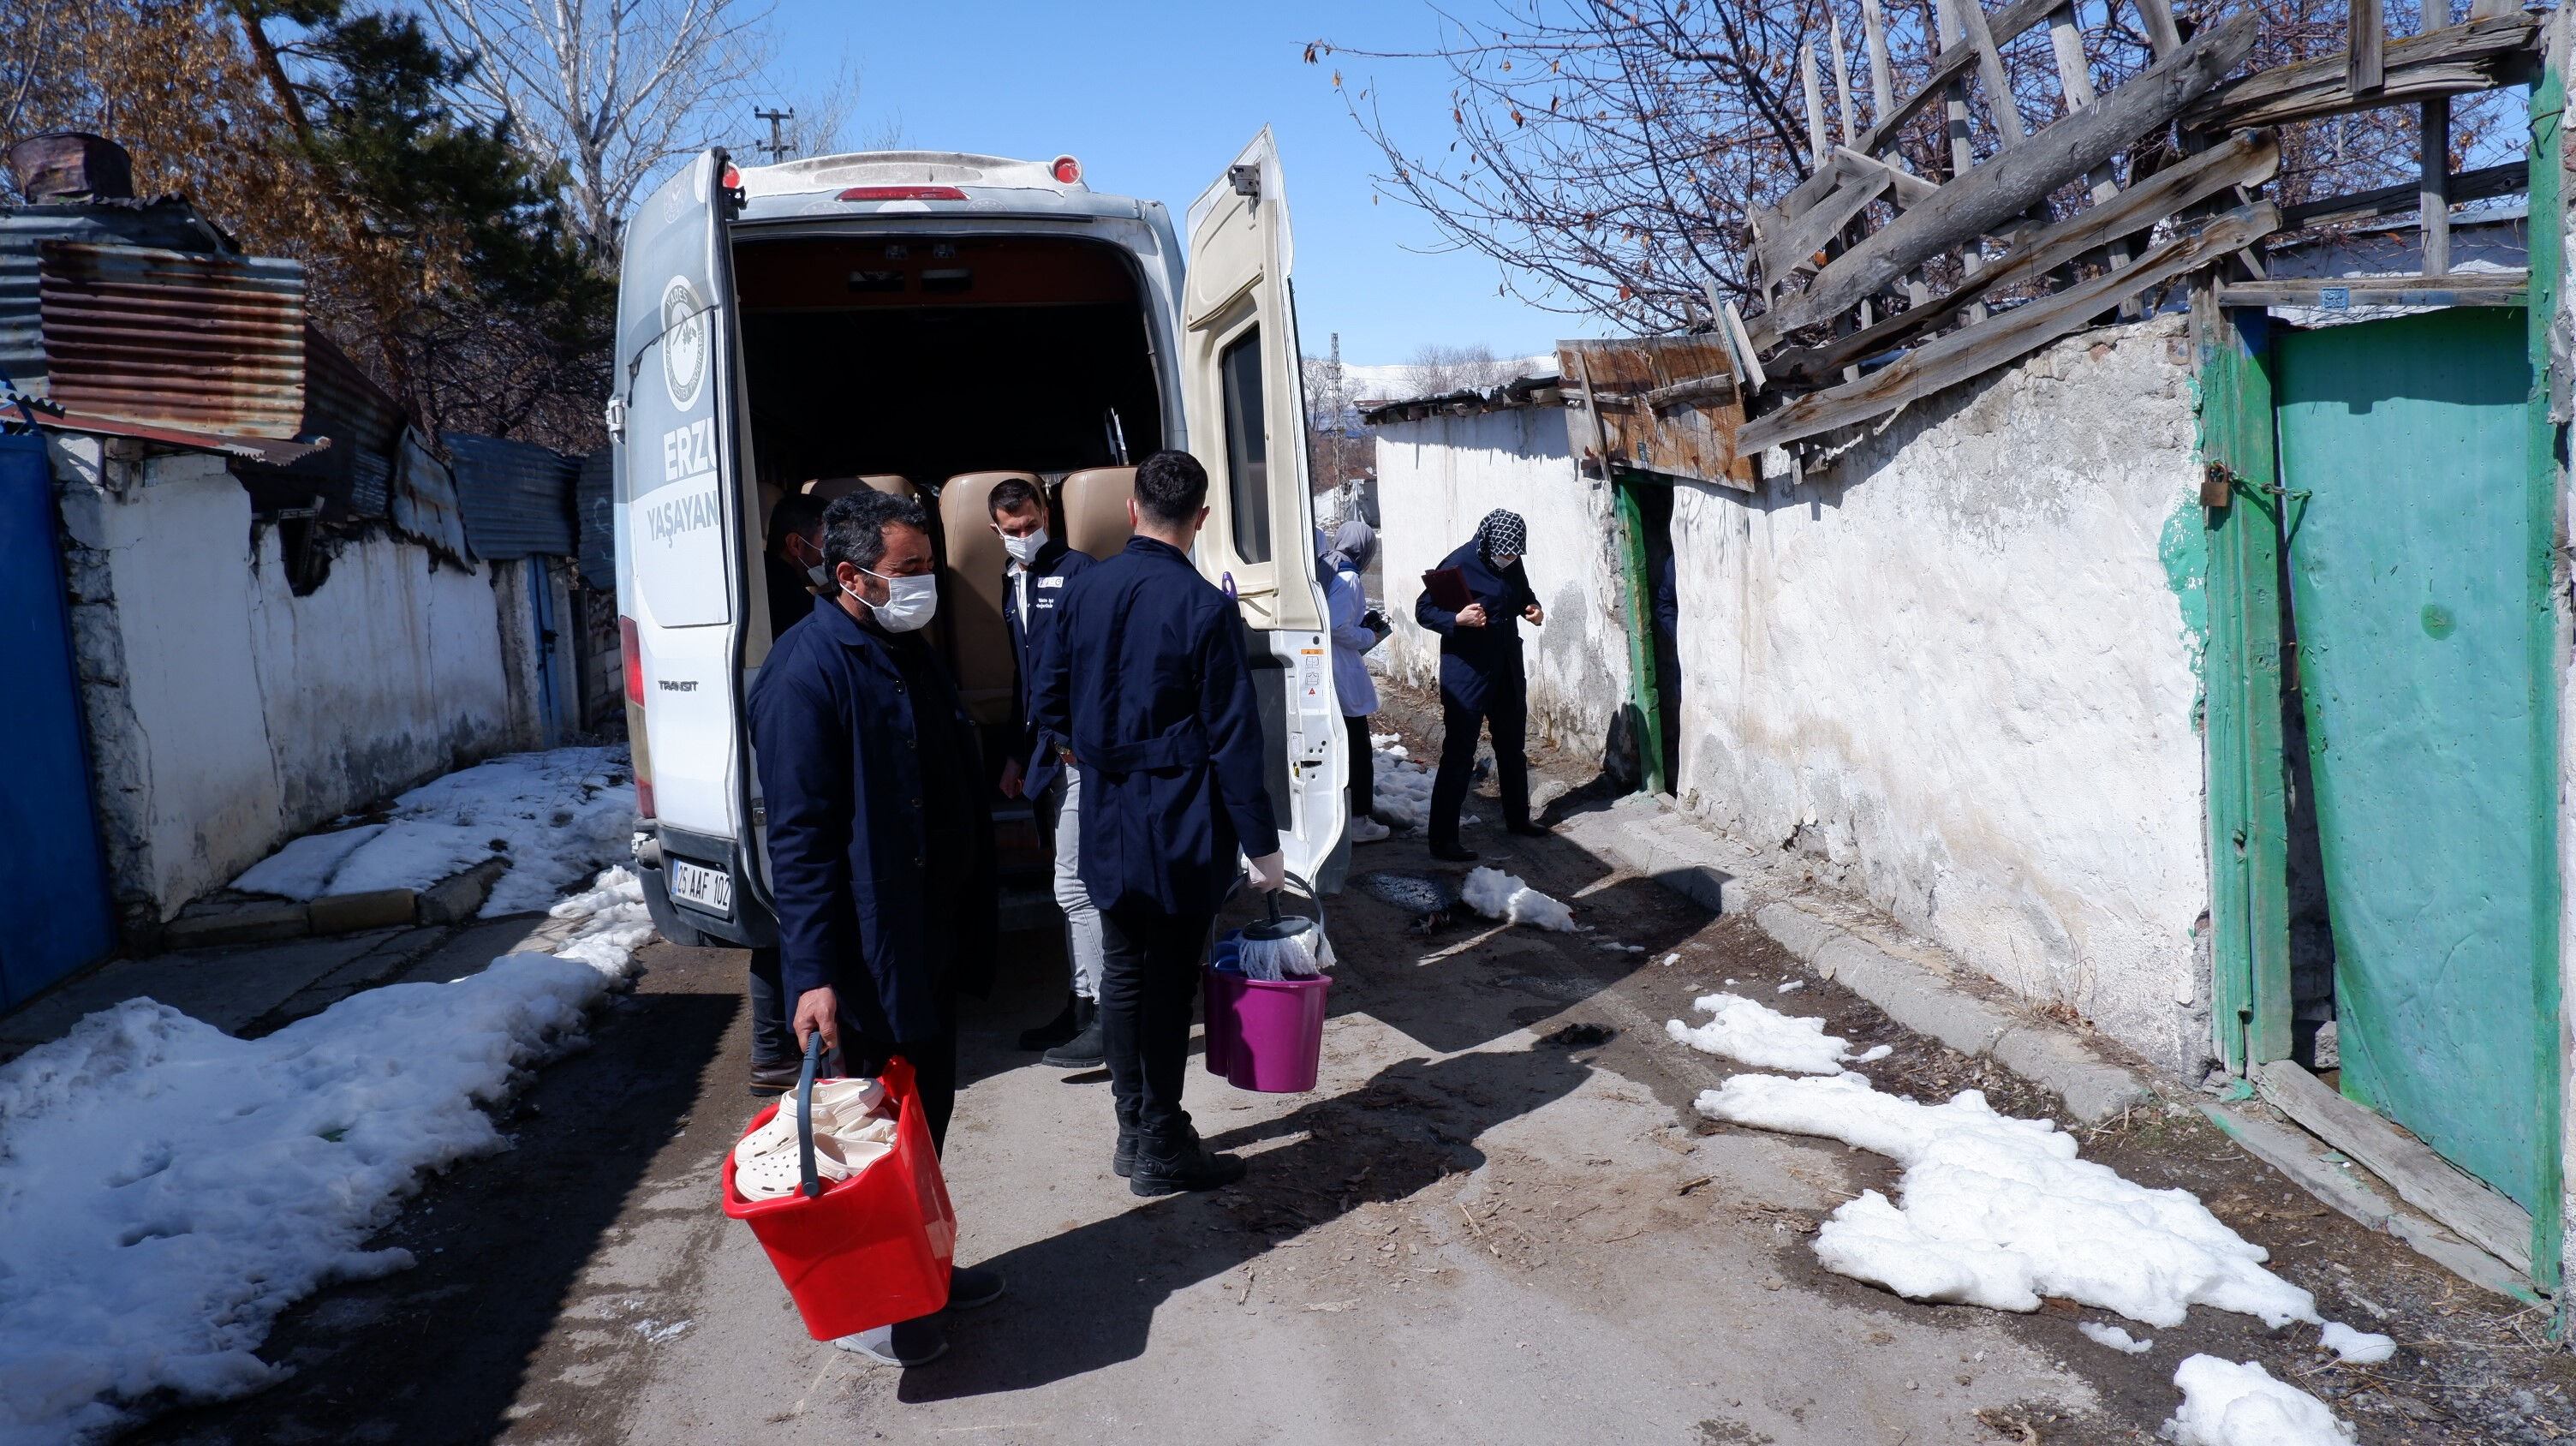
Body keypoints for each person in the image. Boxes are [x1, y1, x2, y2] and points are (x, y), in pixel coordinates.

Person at [748, 487, 1005, 1367]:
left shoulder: (902, 647)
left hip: (922, 935)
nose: (927, 581)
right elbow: (801, 840)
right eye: (910, 568)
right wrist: (811, 975)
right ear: (851, 574)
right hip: (863, 956)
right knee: (868, 1138)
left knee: (921, 1124)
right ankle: (879, 1309)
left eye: (929, 564)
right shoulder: (805, 672)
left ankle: (925, 1271)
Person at [1033, 449, 1283, 1196]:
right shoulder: (1205, 605)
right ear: (1201, 518)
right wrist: (1263, 844)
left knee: (1124, 969)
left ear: (1132, 509)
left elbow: (1047, 696)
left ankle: (1134, 1130)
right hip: (1181, 818)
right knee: (1169, 981)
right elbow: (1234, 740)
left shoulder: (1083, 588)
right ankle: (1161, 1141)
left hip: (1108, 808)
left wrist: (1083, 747)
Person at [986, 476, 1106, 1067]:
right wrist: (1016, 752)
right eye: (1012, 530)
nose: (1024, 536)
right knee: (1070, 887)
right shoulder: (1011, 580)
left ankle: (1107, 1014)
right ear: (996, 531)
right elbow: (1025, 677)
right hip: (1043, 753)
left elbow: (1098, 666)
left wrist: (1076, 739)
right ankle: (1080, 1005)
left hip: (1076, 751)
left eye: (1031, 525)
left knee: (1075, 886)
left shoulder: (1078, 572)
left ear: (1047, 517)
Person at [744, 490, 831, 1096]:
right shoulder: (791, 603)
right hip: (790, 766)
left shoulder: (764, 586)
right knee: (791, 909)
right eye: (826, 541)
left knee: (779, 907)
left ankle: (772, 1049)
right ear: (798, 544)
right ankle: (777, 1049)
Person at [1414, 508, 1546, 862]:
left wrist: (1532, 608)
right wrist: (1457, 619)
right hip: (1467, 675)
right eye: (1504, 553)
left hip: (1505, 670)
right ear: (1488, 543)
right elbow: (1423, 610)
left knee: (1512, 748)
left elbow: (1522, 594)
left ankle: (1518, 819)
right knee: (1459, 754)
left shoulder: (1511, 562)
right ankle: (1443, 841)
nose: (1509, 559)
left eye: (1515, 554)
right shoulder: (1458, 564)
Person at [1321, 519, 1390, 845]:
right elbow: (1338, 627)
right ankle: (1359, 819)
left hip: (1324, 667)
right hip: (1342, 670)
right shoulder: (1348, 577)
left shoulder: (1325, 564)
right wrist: (1368, 635)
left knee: (1338, 744)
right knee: (1357, 747)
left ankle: (1339, 815)